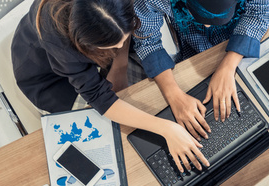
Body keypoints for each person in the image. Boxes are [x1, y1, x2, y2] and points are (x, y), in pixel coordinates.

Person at [12, 0, 207, 172]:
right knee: (99, 136)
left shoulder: (116, 19)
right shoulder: (58, 39)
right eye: (113, 45)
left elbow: (121, 33)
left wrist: (120, 66)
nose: (121, 45)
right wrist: (166, 128)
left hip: (103, 36)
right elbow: (98, 96)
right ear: (87, 43)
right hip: (50, 76)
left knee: (145, 93)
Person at [132, 0, 269, 138]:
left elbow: (259, 12)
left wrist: (228, 65)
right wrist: (173, 95)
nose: (207, 25)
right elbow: (146, 41)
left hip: (252, 28)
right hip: (198, 46)